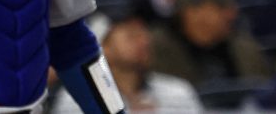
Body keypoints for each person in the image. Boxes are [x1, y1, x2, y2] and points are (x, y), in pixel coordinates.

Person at [51, 10, 203, 113]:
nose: (144, 42)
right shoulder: (76, 97)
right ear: (102, 47)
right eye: (132, 36)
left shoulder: (178, 92)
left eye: (144, 35)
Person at [149, 0, 270, 86]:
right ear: (191, 12)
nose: (233, 14)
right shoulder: (154, 51)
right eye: (221, 6)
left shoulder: (246, 49)